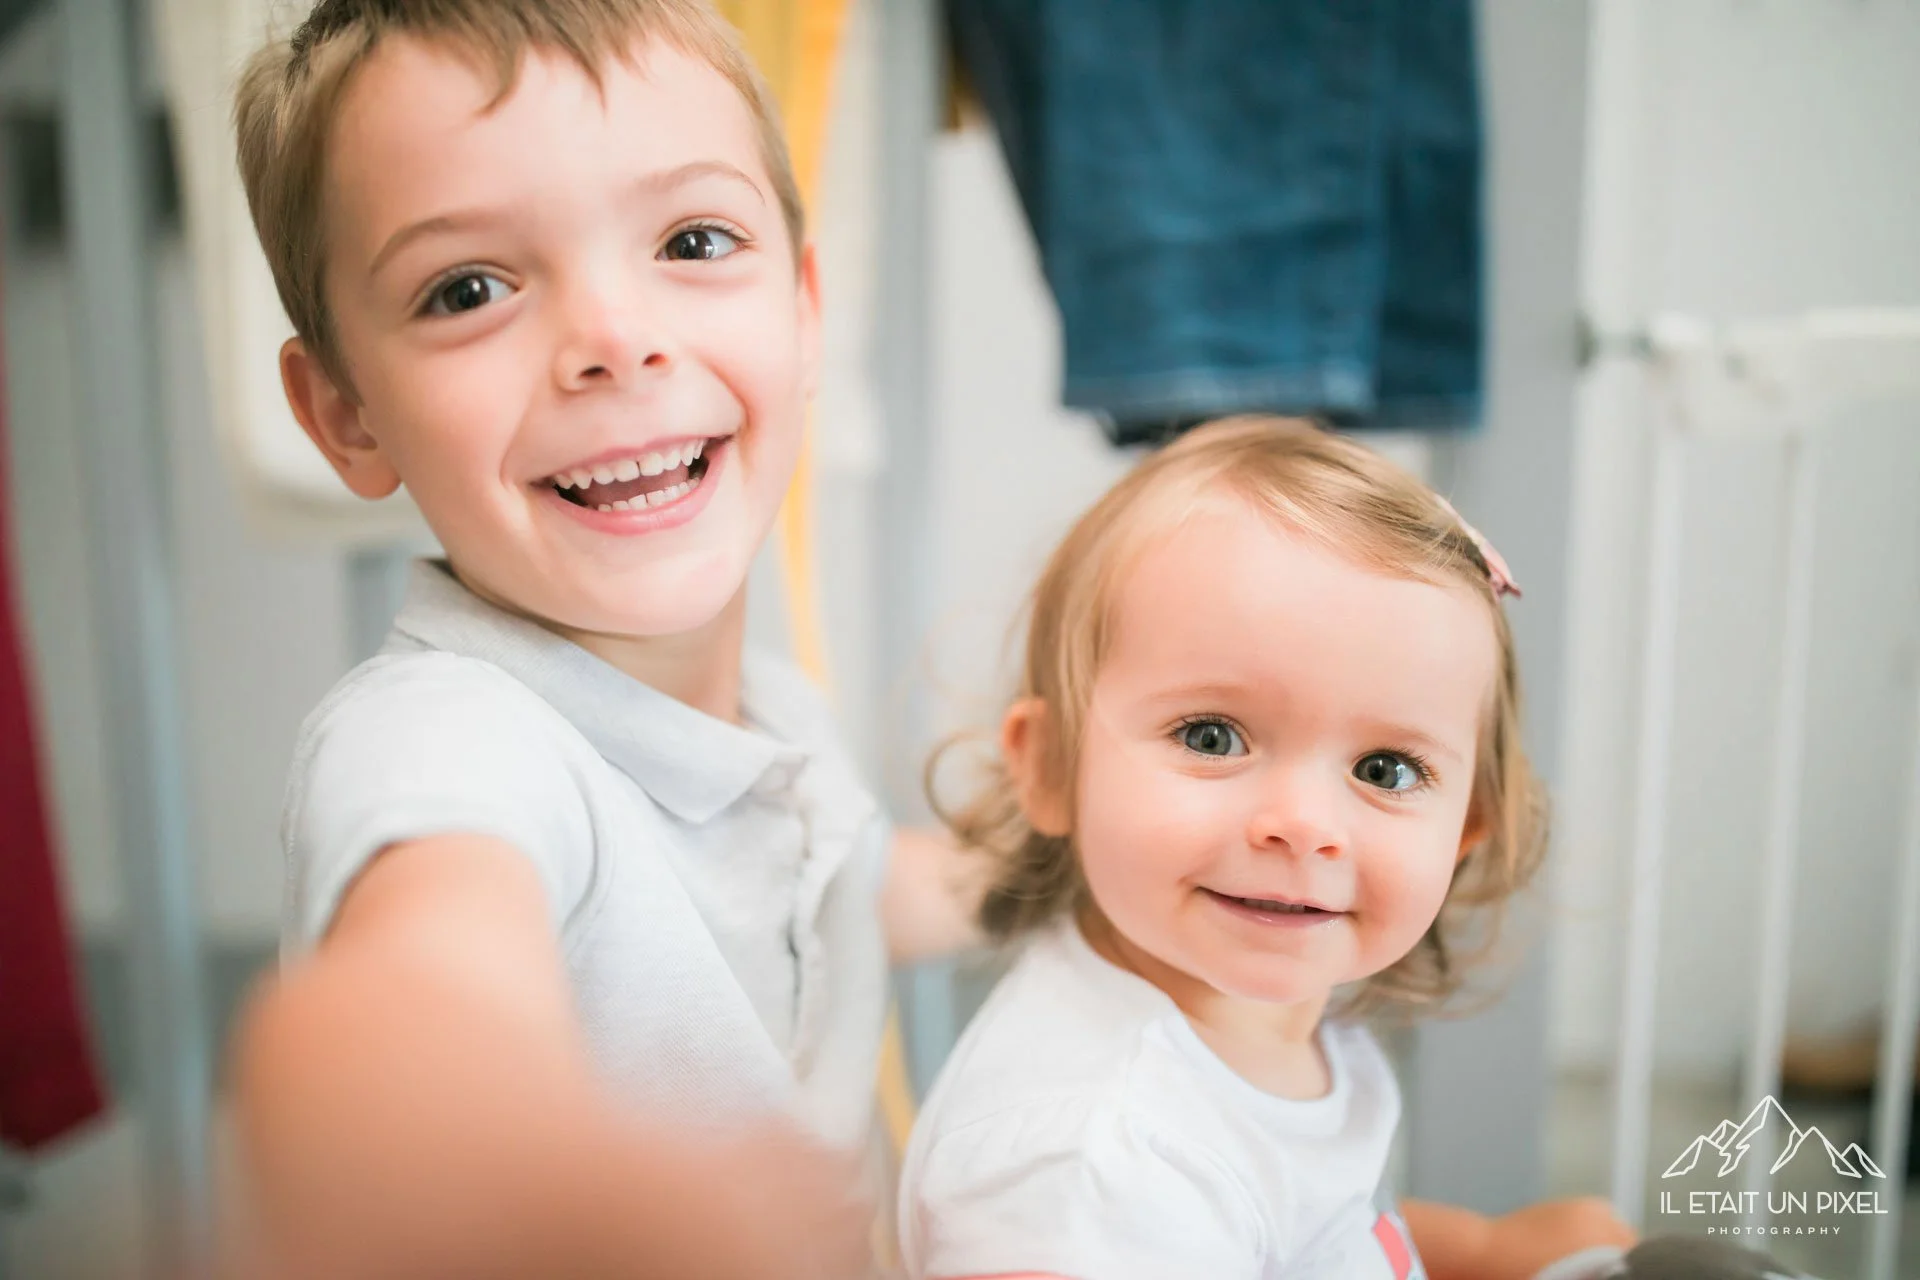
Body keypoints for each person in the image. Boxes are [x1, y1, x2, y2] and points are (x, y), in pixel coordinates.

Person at [223, 2, 980, 1275]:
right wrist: (515, 1165)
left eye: (693, 240)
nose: (615, 342)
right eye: (469, 289)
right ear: (347, 413)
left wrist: (1073, 858)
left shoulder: (772, 713)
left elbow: (840, 886)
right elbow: (414, 991)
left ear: (804, 311)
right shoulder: (445, 742)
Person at [900, 417, 1635, 1280]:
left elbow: (1308, 1232)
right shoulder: (1090, 1171)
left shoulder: (1269, 1030)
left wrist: (1484, 1251)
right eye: (1212, 737)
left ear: (1466, 828)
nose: (1303, 823)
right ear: (1054, 768)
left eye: (1384, 770)